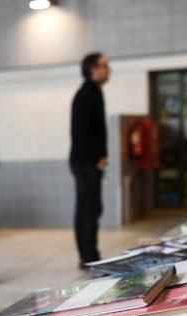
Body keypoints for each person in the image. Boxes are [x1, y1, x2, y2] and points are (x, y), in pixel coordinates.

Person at [69, 51, 110, 268]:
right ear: (92, 69)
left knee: (89, 208)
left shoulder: (93, 92)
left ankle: (88, 254)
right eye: (104, 65)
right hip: (86, 163)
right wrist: (97, 160)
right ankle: (89, 256)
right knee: (88, 209)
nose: (108, 69)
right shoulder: (86, 95)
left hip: (89, 162)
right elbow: (81, 133)